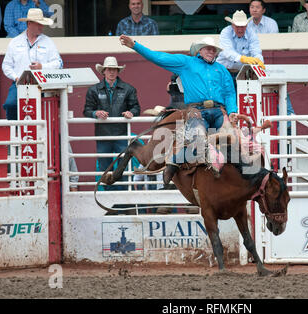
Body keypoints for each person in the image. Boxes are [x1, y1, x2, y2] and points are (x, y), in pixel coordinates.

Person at [119, 35, 237, 184]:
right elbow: (159, 58)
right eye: (208, 48)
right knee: (197, 141)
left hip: (219, 110)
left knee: (234, 140)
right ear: (199, 50)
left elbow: (229, 93)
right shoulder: (187, 62)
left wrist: (232, 111)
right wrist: (135, 45)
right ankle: (174, 161)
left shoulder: (221, 70)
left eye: (213, 49)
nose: (211, 51)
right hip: (197, 111)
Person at [83, 56, 140, 191]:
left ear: (118, 71)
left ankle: (121, 202)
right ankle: (111, 201)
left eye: (114, 69)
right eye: (109, 69)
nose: (112, 72)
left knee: (122, 168)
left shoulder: (128, 89)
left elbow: (136, 108)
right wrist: (96, 113)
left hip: (120, 134)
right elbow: (87, 110)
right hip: (104, 135)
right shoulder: (94, 90)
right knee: (105, 169)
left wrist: (130, 113)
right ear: (104, 71)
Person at [2, 8, 62, 120]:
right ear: (29, 24)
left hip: (42, 84)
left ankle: (41, 134)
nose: (41, 27)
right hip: (19, 83)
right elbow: (6, 65)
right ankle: (15, 131)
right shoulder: (15, 42)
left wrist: (42, 67)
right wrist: (16, 77)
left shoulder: (48, 42)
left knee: (42, 110)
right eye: (38, 24)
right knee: (11, 104)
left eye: (42, 24)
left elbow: (58, 63)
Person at [216, 10, 265, 78]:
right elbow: (227, 52)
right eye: (237, 26)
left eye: (242, 26)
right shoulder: (226, 32)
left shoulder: (251, 33)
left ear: (246, 25)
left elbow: (256, 51)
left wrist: (259, 60)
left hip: (242, 73)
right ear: (232, 25)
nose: (240, 29)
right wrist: (242, 58)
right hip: (224, 72)